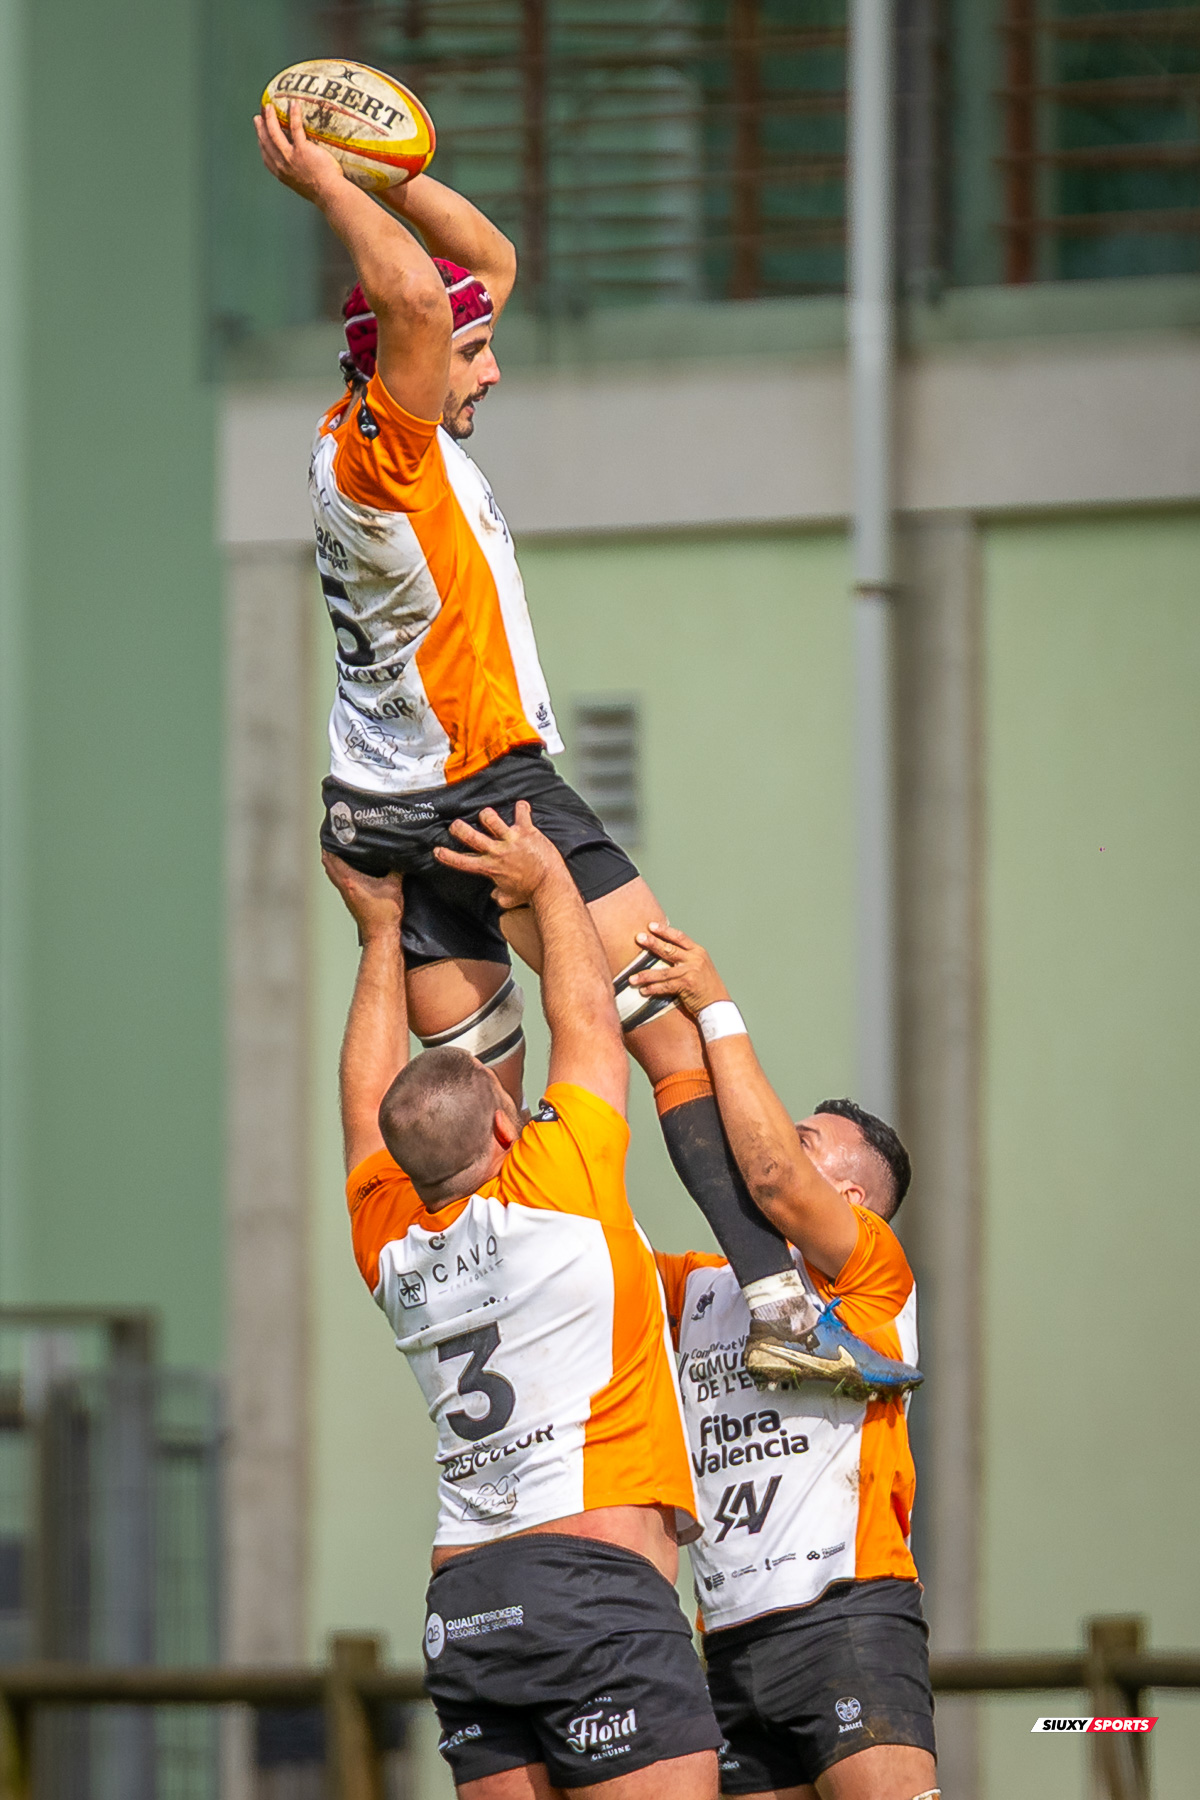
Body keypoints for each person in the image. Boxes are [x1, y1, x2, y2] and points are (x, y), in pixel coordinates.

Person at [253, 96, 918, 1397]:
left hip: (381, 813)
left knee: (482, 1119)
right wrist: (334, 187)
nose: (490, 367)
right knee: (671, 1027)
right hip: (485, 789)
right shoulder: (389, 451)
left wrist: (407, 168)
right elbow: (426, 303)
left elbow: (473, 270)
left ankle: (533, 1366)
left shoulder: (388, 421)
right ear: (402, 355)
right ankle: (777, 1301)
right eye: (472, 351)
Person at [324, 803, 723, 1798]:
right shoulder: (558, 1183)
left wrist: (384, 935)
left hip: (466, 1604)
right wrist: (548, 879)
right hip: (590, 1586)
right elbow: (585, 1017)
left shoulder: (390, 1242)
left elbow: (366, 1099)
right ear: (507, 1124)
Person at [627, 925, 939, 1800]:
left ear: (850, 1203)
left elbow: (769, 1178)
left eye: (804, 1138)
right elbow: (584, 1257)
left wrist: (715, 1003)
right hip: (725, 1639)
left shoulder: (871, 1270)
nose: (771, 1139)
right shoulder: (698, 1287)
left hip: (847, 1616)